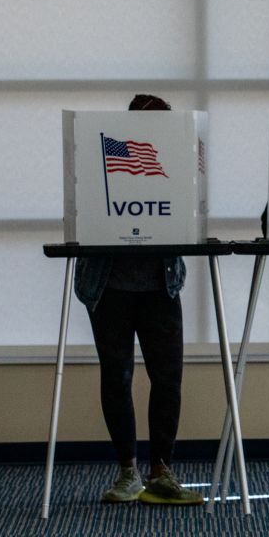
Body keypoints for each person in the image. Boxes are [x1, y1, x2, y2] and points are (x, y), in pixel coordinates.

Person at [75, 93, 201, 505]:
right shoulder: (102, 154)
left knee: (168, 379)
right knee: (117, 378)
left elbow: (189, 212)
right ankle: (127, 470)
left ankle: (161, 469)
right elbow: (80, 208)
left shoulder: (175, 159)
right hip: (108, 284)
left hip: (161, 286)